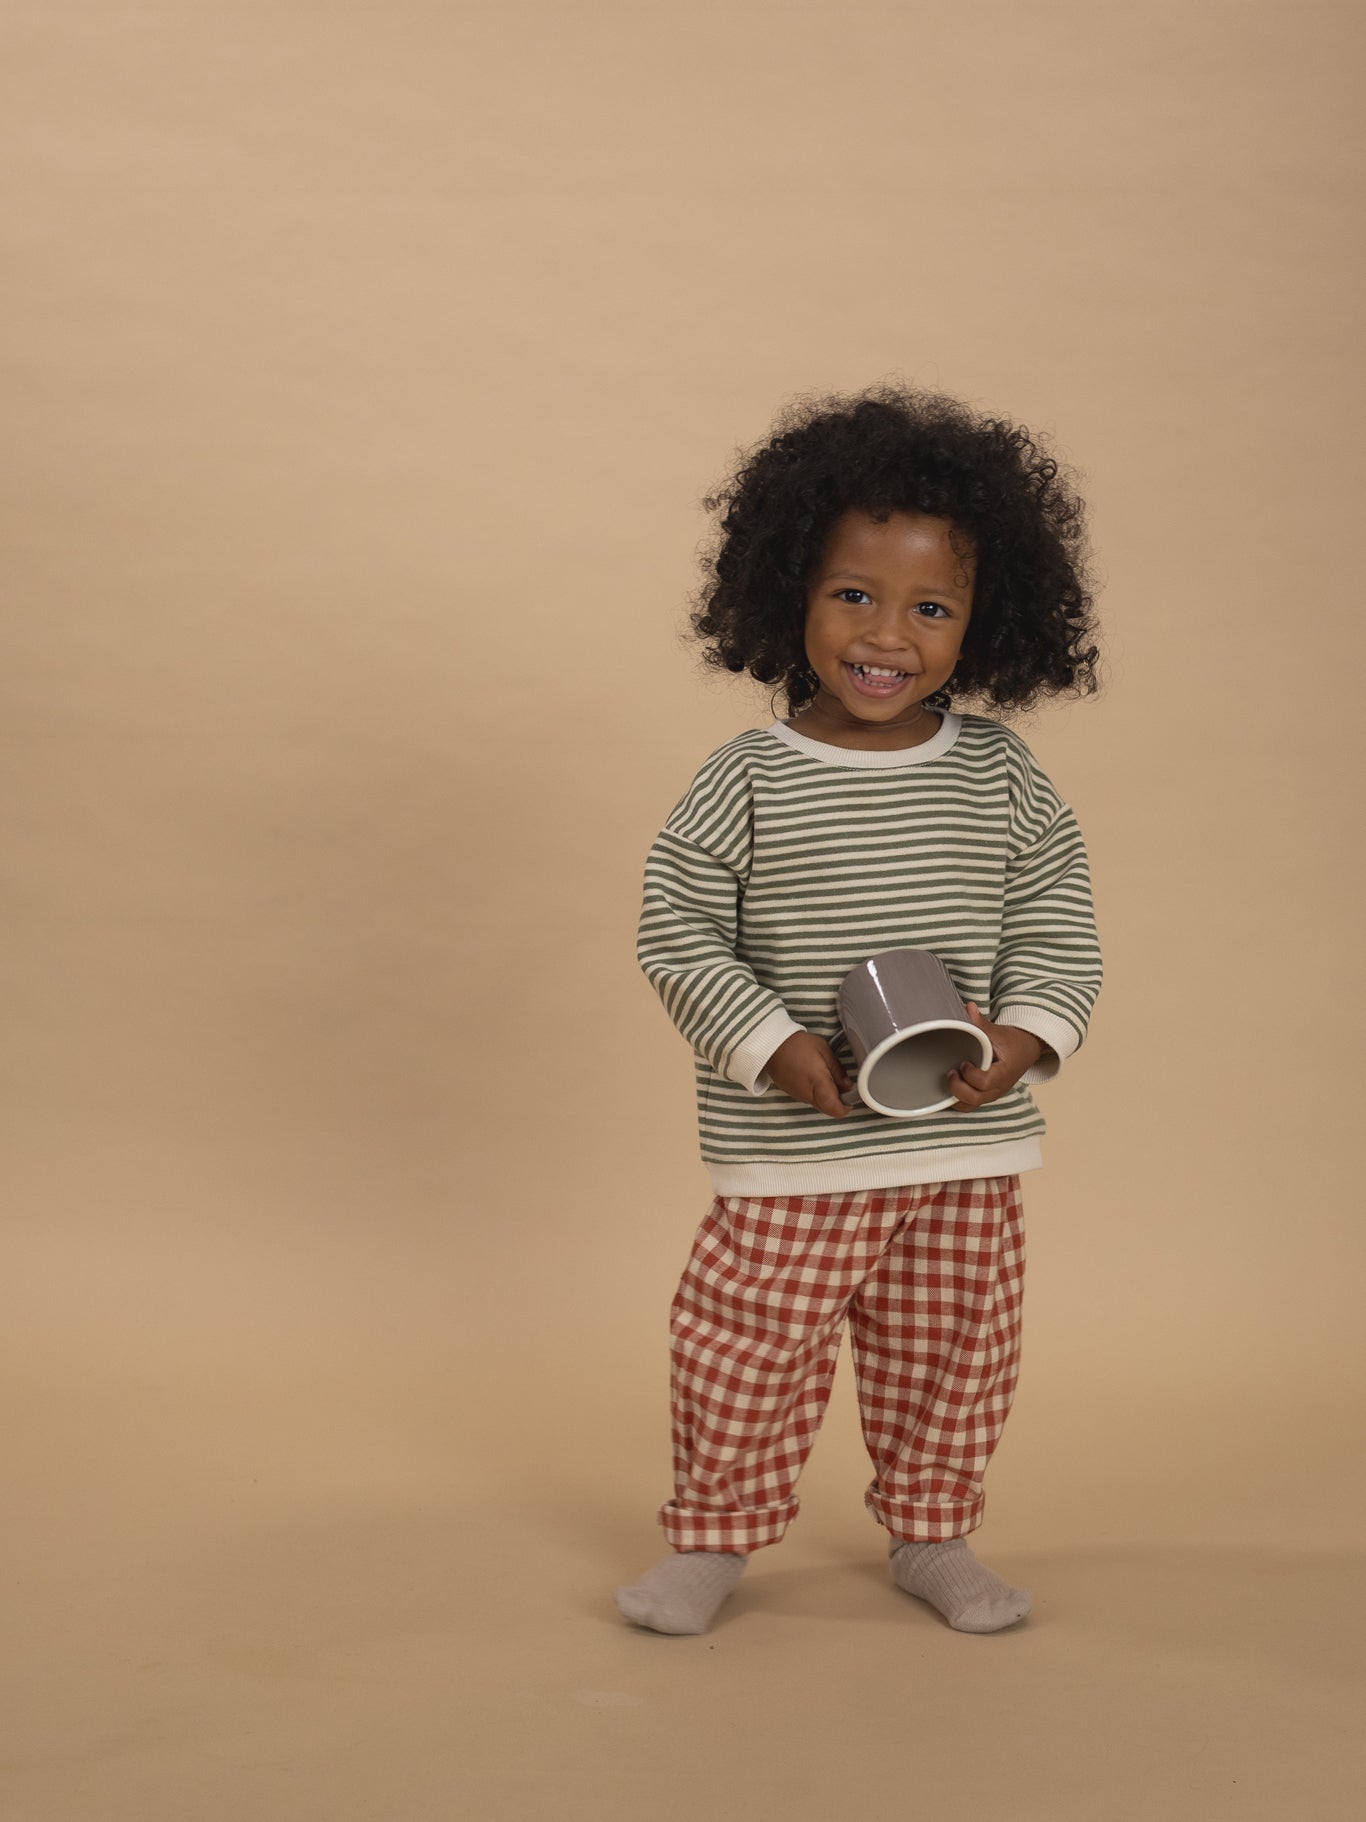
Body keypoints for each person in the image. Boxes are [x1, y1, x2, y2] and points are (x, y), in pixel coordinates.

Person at [614, 382, 1105, 1637]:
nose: (888, 633)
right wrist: (770, 1044)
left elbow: (1057, 916)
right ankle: (713, 1537)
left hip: (958, 1143)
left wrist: (1026, 1033)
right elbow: (676, 929)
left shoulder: (999, 773)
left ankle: (933, 1534)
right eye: (853, 594)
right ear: (786, 593)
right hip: (794, 1151)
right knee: (743, 1349)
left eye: (930, 607)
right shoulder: (749, 777)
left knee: (953, 1357)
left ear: (983, 624)